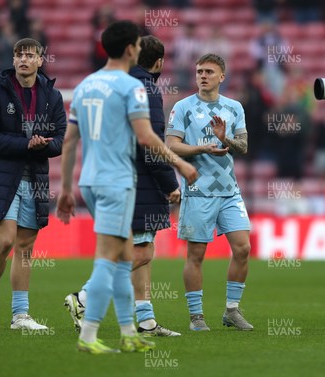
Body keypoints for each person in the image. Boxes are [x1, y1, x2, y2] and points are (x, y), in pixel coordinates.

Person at [56, 20, 197, 354]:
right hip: (117, 181)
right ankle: (88, 333)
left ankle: (128, 332)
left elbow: (70, 139)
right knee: (116, 259)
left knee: (122, 256)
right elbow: (147, 138)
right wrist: (180, 164)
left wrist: (64, 188)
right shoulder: (133, 87)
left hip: (89, 180)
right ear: (132, 48)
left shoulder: (87, 84)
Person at [0, 38, 66, 330]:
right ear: (13, 60)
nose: (23, 59)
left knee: (26, 247)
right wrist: (26, 144)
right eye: (18, 55)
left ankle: (20, 316)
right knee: (5, 241)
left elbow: (62, 139)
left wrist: (43, 146)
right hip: (3, 176)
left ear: (40, 60)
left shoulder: (52, 97)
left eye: (29, 55)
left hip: (35, 178)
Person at [166, 53, 254, 331]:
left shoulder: (234, 107)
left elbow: (243, 147)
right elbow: (171, 146)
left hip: (229, 190)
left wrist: (223, 138)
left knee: (243, 248)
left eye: (209, 72)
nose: (203, 76)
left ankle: (231, 310)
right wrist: (202, 148)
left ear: (222, 77)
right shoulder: (182, 107)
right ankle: (196, 317)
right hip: (197, 190)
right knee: (196, 254)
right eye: (200, 71)